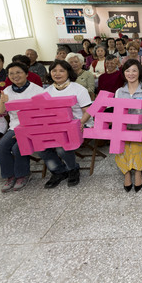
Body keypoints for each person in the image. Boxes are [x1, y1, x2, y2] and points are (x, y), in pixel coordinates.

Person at [109, 59, 142, 192]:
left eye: (134, 70)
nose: (131, 74)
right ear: (123, 73)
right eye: (127, 70)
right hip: (125, 130)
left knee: (136, 147)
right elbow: (117, 114)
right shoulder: (119, 92)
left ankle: (138, 171)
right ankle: (126, 173)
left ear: (139, 72)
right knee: (123, 148)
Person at [40, 60, 91, 188]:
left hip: (78, 123)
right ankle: (58, 171)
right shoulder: (47, 91)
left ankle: (72, 169)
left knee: (61, 147)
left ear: (68, 72)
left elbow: (88, 111)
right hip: (54, 127)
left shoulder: (79, 89)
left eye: (61, 71)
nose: (57, 74)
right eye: (54, 71)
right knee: (40, 146)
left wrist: (81, 123)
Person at [0, 62, 45, 192]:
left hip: (34, 127)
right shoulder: (6, 90)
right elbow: (1, 112)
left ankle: (23, 175)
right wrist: (2, 100)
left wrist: (26, 131)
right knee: (0, 149)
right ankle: (10, 176)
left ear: (27, 74)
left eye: (18, 72)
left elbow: (43, 114)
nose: (15, 76)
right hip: (15, 127)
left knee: (18, 147)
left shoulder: (38, 90)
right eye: (11, 73)